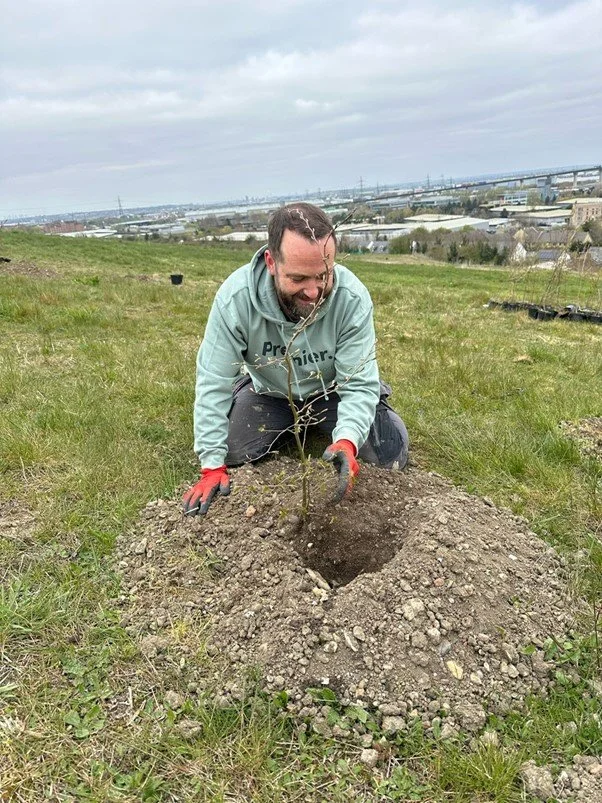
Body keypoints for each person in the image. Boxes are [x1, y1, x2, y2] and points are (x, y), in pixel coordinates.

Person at [183, 203, 409, 516]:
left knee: (389, 453)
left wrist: (347, 441)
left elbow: (356, 383)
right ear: (271, 262)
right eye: (299, 278)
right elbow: (213, 380)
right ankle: (287, 422)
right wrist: (211, 465)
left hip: (333, 390)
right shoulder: (235, 300)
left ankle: (333, 431)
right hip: (272, 393)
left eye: (323, 276)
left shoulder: (351, 298)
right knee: (233, 450)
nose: (314, 292)